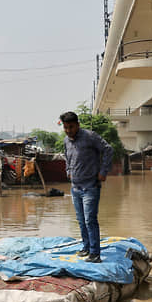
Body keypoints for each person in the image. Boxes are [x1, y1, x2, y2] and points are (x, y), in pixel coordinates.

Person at [60, 111, 113, 263]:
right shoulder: (66, 141)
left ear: (77, 125)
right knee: (81, 220)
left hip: (90, 186)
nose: (68, 130)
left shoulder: (90, 137)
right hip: (75, 187)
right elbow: (67, 157)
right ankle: (86, 247)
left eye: (71, 127)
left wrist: (103, 172)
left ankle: (95, 253)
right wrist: (68, 171)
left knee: (90, 219)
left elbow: (108, 150)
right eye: (65, 127)